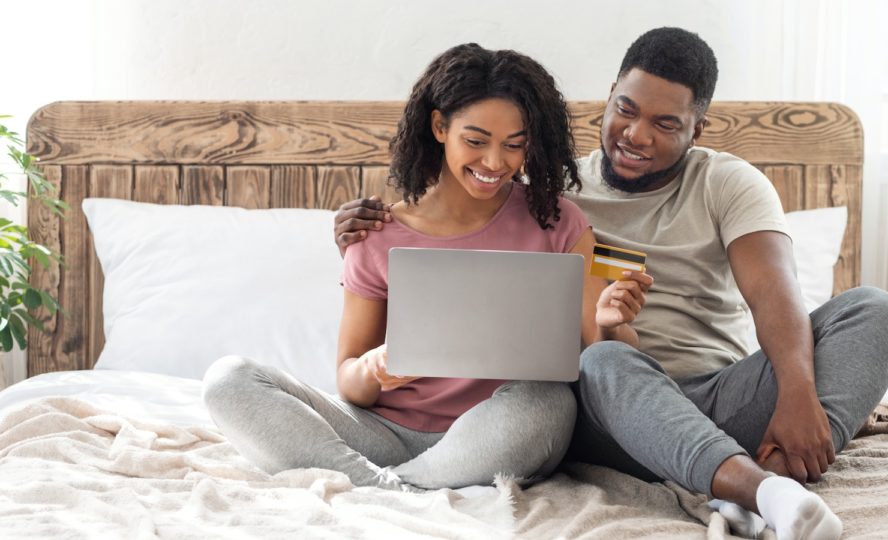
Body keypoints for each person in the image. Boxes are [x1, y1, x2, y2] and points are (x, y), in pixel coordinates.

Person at [336, 28, 888, 539]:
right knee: (604, 359)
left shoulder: (729, 182)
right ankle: (756, 489)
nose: (636, 135)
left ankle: (772, 479)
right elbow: (467, 216)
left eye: (666, 124)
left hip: (717, 394)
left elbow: (773, 296)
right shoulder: (552, 193)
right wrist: (357, 226)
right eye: (625, 109)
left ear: (697, 128)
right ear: (609, 96)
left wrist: (798, 397)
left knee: (879, 309)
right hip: (605, 413)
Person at [204, 43, 651, 491]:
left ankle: (376, 488)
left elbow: (604, 352)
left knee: (550, 401)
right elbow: (349, 383)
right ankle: (396, 488)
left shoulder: (559, 222)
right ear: (439, 126)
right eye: (475, 141)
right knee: (229, 380)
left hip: (497, 430)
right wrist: (377, 367)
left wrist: (613, 324)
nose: (496, 163)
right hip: (383, 435)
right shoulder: (376, 235)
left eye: (514, 145)